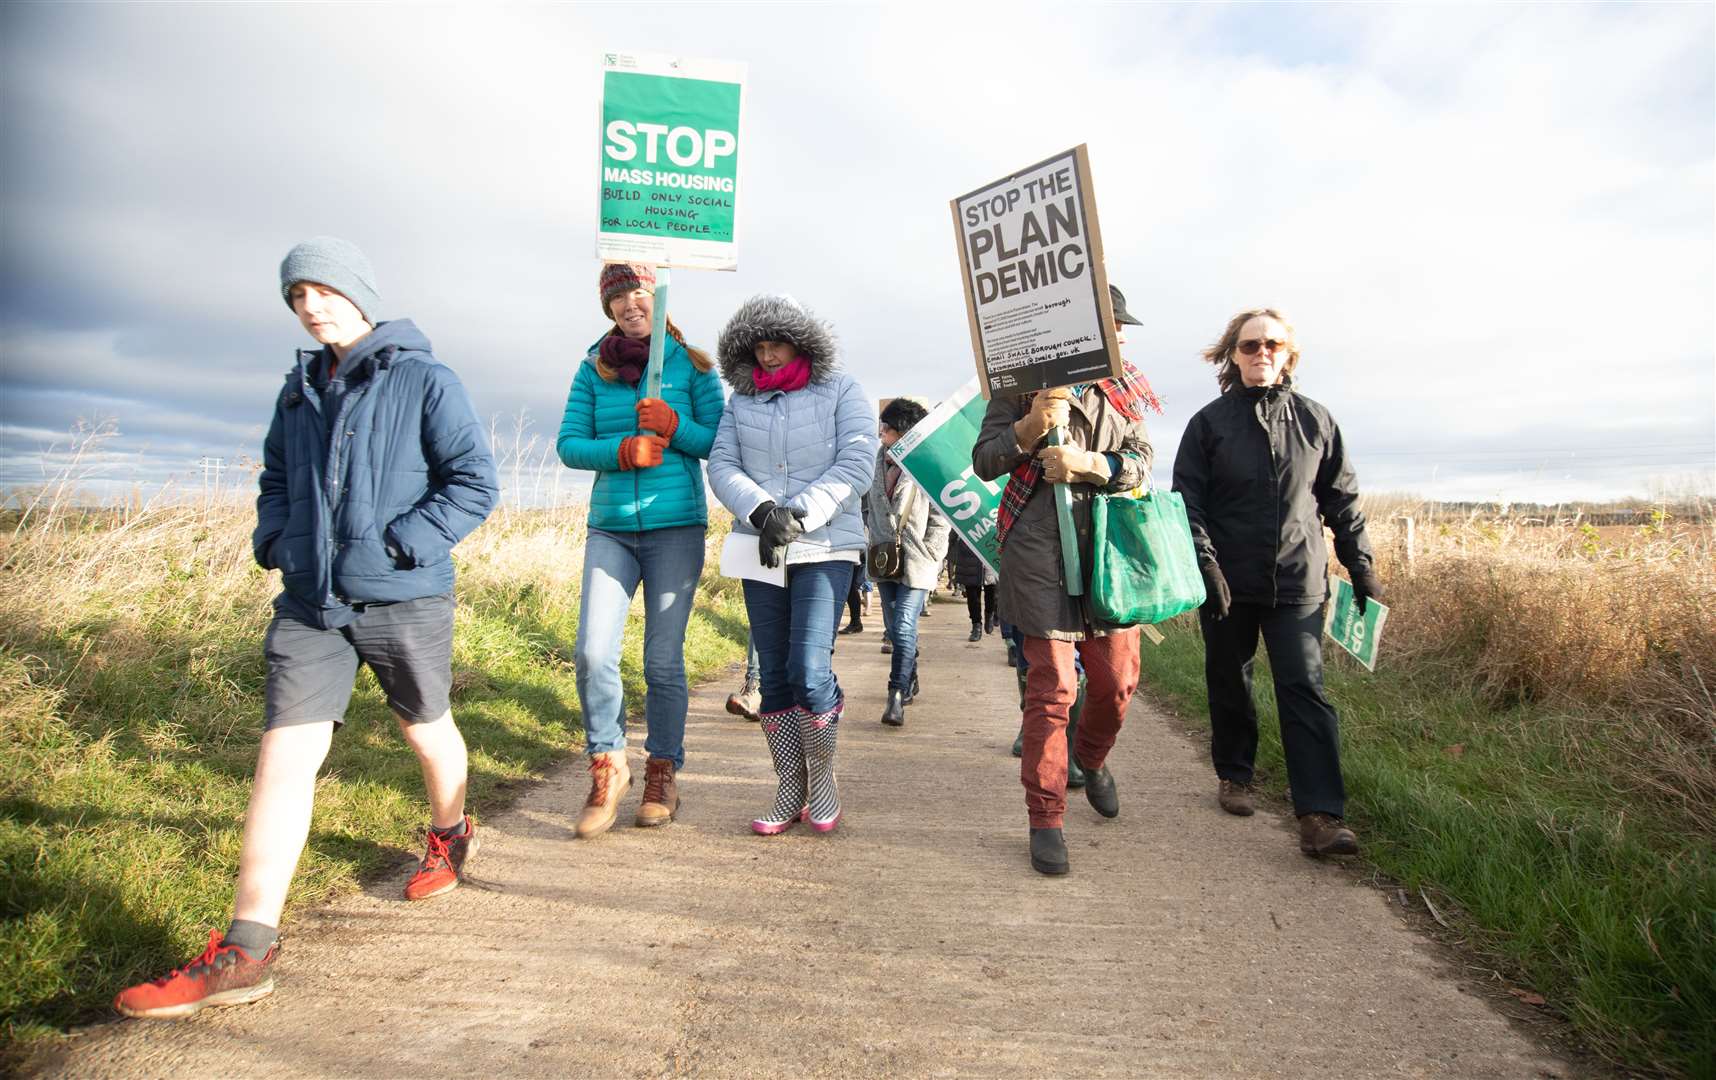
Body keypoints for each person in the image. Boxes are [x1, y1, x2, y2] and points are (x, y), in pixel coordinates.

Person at [114, 237, 499, 1018]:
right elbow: (277, 478)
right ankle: (246, 949)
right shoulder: (297, 392)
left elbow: (473, 484)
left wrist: (399, 545)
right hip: (310, 603)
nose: (311, 305)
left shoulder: (425, 379)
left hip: (401, 598)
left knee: (426, 729)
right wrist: (277, 539)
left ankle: (450, 831)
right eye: (297, 297)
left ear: (359, 293)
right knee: (285, 756)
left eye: (323, 290)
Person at [1171, 307, 1381, 857]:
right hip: (1228, 583)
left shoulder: (1317, 421)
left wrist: (1361, 567)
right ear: (1230, 355)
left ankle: (1319, 815)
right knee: (1229, 678)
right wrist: (1207, 565)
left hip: (1299, 579)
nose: (1261, 352)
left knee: (1305, 689)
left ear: (1288, 355)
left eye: (1272, 344)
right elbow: (1187, 503)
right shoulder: (1208, 425)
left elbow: (1342, 501)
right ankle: (1235, 774)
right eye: (1249, 345)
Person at [971, 283, 1158, 877]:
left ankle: (1093, 758)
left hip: (1107, 549)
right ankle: (1045, 814)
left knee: (1117, 683)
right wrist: (1028, 428)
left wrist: (1092, 464)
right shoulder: (1019, 382)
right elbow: (984, 460)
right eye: (1114, 325)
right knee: (1052, 688)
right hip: (1037, 551)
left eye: (1124, 326)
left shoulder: (1125, 388)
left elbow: (1144, 461)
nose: (1123, 335)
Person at [555, 263, 726, 837]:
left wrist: (675, 427)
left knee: (662, 661)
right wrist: (623, 451)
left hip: (675, 527)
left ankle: (662, 769)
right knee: (592, 652)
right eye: (619, 297)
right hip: (610, 529)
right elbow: (569, 445)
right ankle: (608, 764)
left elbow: (722, 444)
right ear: (607, 308)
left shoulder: (695, 364)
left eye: (640, 294)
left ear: (658, 299)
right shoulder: (592, 369)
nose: (631, 305)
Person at [707, 294, 876, 835]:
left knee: (808, 668)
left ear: (800, 341)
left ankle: (822, 776)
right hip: (761, 544)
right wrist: (761, 511)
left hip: (825, 545)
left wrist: (799, 515)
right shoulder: (741, 401)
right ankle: (788, 784)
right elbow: (723, 464)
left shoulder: (843, 390)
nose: (768, 355)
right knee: (774, 674)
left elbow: (857, 460)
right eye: (757, 346)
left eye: (775, 342)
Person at [867, 398, 950, 726]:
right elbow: (867, 503)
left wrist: (932, 550)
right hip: (883, 556)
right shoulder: (875, 461)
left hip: (917, 559)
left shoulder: (928, 464)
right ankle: (910, 674)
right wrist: (872, 536)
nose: (882, 433)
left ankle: (896, 694)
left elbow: (943, 515)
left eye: (887, 428)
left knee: (903, 626)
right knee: (894, 628)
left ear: (904, 432)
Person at [952, 534, 998, 642]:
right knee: (972, 594)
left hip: (990, 548)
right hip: (970, 552)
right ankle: (976, 626)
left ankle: (989, 615)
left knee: (991, 590)